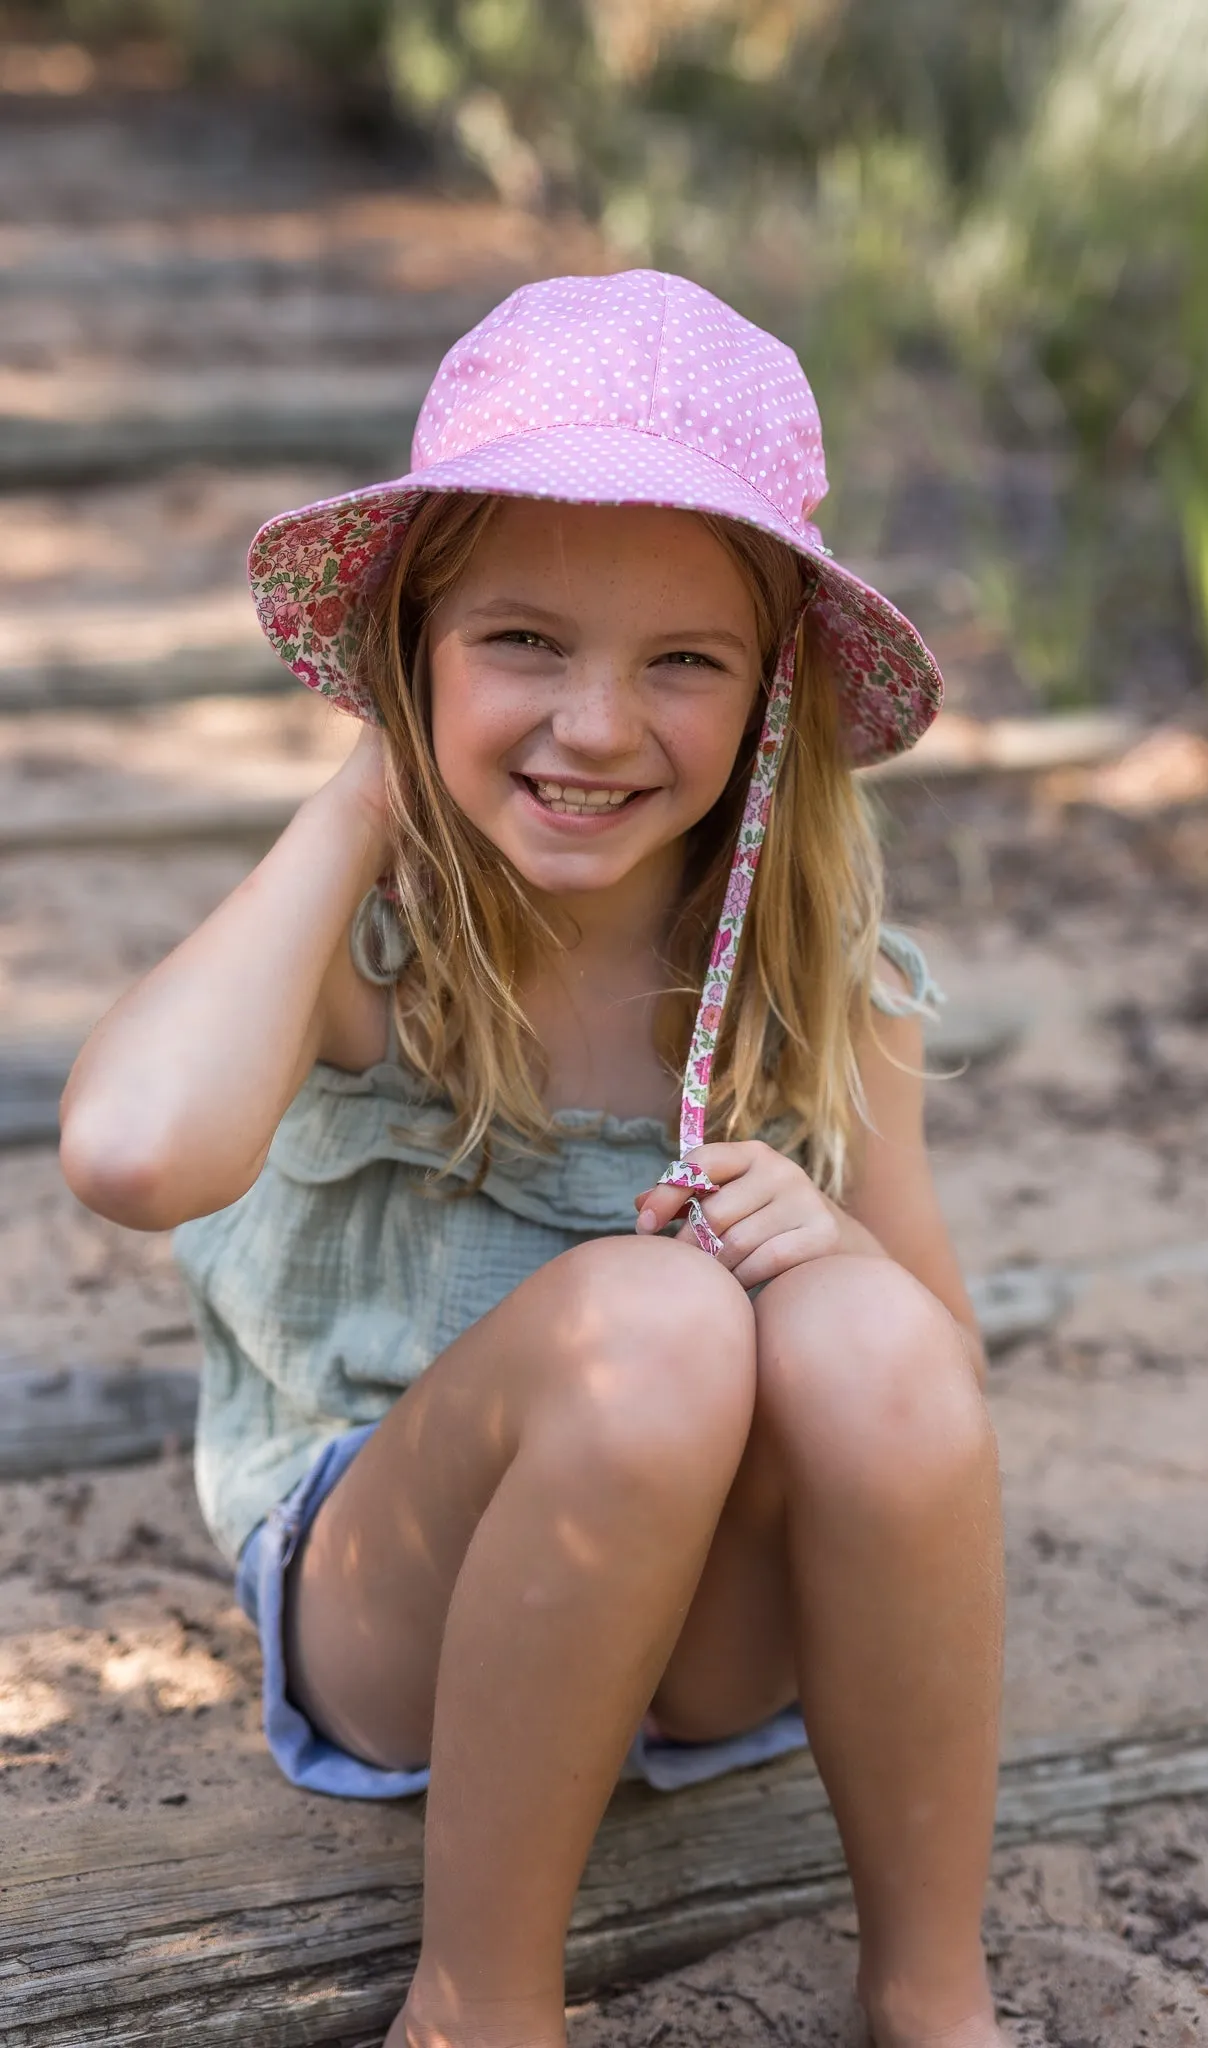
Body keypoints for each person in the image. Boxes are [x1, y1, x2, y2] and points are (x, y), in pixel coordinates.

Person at [60, 271, 1006, 2048]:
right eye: (520, 645)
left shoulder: (823, 987)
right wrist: (364, 794)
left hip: (709, 1638)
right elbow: (125, 1151)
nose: (593, 725)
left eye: (684, 663)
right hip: (395, 1614)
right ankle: (481, 2000)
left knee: (859, 1332)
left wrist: (832, 1256)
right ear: (410, 650)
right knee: (650, 1325)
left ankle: (930, 1994)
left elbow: (935, 1408)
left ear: (774, 702)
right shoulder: (372, 943)